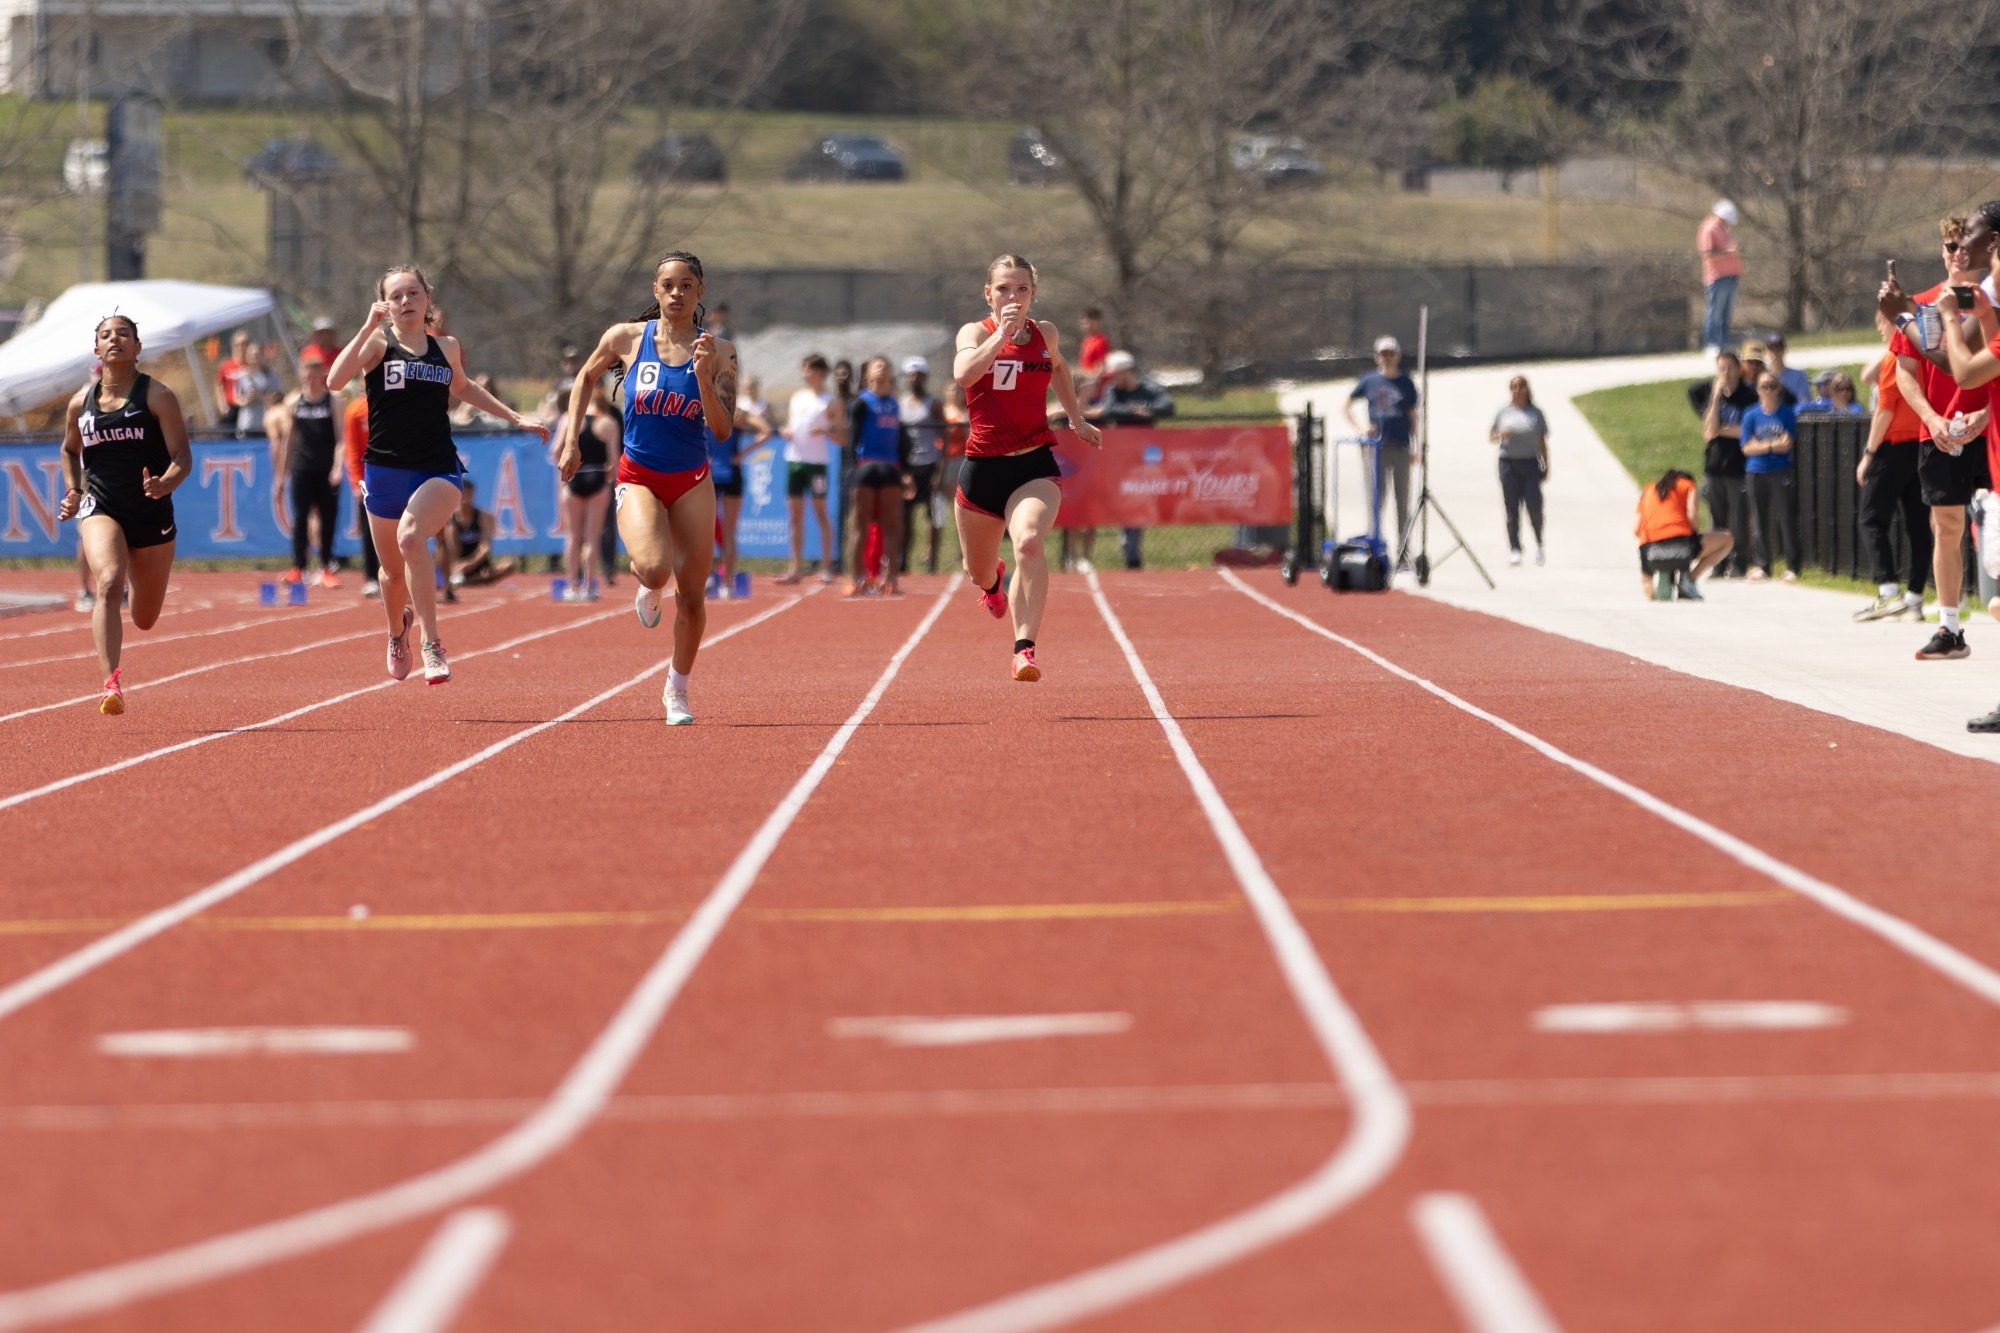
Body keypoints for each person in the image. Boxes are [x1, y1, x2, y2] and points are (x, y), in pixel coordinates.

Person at [329, 264, 542, 685]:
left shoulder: (446, 347)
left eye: (413, 293)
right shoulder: (376, 343)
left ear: (427, 297)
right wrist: (367, 326)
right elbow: (335, 381)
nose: (405, 301)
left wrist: (515, 416)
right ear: (384, 304)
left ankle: (432, 643)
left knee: (412, 537)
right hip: (385, 469)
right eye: (396, 296)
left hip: (437, 467)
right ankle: (397, 632)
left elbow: (463, 387)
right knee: (392, 575)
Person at [559, 250, 735, 726]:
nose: (677, 293)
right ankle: (649, 585)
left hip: (692, 480)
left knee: (693, 597)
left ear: (700, 292)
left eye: (686, 286)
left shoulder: (719, 351)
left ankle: (676, 689)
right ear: (655, 290)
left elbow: (722, 431)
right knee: (656, 571)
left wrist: (703, 378)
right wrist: (571, 440)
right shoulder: (626, 337)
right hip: (639, 475)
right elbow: (584, 377)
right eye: (668, 285)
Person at [953, 253, 1102, 681]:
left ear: (1033, 294)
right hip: (983, 470)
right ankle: (992, 584)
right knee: (976, 571)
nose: (1013, 297)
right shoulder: (974, 332)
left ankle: (1024, 649)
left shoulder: (1045, 333)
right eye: (1003, 289)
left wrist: (1075, 419)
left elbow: (1059, 366)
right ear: (988, 294)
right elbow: (965, 374)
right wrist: (1001, 334)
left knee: (1030, 542)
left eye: (1021, 289)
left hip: (1033, 464)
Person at [55, 313, 192, 713]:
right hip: (102, 505)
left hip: (151, 512)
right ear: (96, 348)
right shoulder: (80, 403)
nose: (114, 339)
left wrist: (165, 483)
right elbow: (69, 450)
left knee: (145, 618)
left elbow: (183, 456)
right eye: (106, 335)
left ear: (137, 347)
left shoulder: (157, 395)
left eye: (123, 334)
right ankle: (110, 684)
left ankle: (135, 563)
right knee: (110, 583)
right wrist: (74, 490)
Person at [1878, 210, 1994, 662]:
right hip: (1941, 431)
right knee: (1946, 527)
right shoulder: (1924, 303)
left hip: (1989, 426)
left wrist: (1985, 413)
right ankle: (1950, 627)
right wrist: (1931, 418)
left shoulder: (1988, 300)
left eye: (1966, 245)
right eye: (1950, 246)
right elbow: (1905, 374)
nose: (1958, 253)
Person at [1852, 346, 1932, 622]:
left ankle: (1888, 591)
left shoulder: (1894, 359)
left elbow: (1884, 410)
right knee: (1918, 525)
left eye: (1882, 325)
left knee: (1870, 520)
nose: (1879, 329)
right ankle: (1914, 599)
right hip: (1921, 446)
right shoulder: (1924, 355)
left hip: (1893, 447)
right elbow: (1866, 376)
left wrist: (1869, 454)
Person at [1086, 349, 1177, 569]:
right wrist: (1134, 412)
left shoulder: (1150, 389)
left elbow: (1168, 406)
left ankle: (1133, 553)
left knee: (1144, 503)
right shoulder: (1113, 390)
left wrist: (1147, 409)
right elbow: (1109, 409)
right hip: (1123, 458)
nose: (1112, 380)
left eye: (1115, 375)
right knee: (1128, 503)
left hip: (1149, 458)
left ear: (1126, 372)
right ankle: (1131, 555)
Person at [269, 347, 345, 588]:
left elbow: (341, 439)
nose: (310, 380)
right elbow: (288, 441)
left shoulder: (333, 401)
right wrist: (280, 476)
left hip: (326, 469)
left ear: (322, 375)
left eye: (314, 375)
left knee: (328, 518)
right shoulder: (294, 402)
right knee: (300, 518)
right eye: (306, 376)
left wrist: (337, 467)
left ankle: (326, 567)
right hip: (302, 468)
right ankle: (298, 568)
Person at [1344, 335, 1418, 555]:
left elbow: (1413, 416)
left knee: (1402, 500)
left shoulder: (1406, 383)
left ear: (1398, 356)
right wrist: (1360, 428)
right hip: (1376, 448)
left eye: (1391, 354)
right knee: (1376, 500)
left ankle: (1403, 550)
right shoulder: (1369, 381)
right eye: (1383, 354)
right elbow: (1345, 405)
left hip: (1401, 446)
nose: (1387, 358)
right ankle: (1376, 547)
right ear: (1377, 357)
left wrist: (1416, 446)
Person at [1688, 348, 1755, 577]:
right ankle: (1717, 564)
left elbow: (1746, 431)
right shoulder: (1712, 395)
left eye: (1730, 368)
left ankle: (1738, 563)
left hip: (1738, 467)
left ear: (1738, 369)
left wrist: (1719, 429)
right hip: (1714, 467)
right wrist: (1716, 398)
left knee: (1738, 519)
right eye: (1721, 369)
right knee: (1715, 520)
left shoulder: (1748, 397)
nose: (1725, 373)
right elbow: (1709, 431)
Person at [846, 355, 907, 597]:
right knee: (859, 526)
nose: (882, 371)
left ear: (891, 374)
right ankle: (857, 579)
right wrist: (853, 470)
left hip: (890, 467)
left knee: (892, 525)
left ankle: (890, 579)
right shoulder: (860, 402)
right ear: (867, 374)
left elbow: (900, 441)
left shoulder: (894, 403)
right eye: (877, 367)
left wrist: (905, 472)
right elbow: (852, 440)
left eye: (886, 367)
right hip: (866, 465)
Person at [552, 383, 619, 600]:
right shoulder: (608, 422)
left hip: (575, 477)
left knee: (573, 536)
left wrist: (565, 472)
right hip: (597, 477)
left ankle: (572, 586)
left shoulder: (569, 419)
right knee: (592, 536)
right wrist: (607, 480)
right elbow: (614, 459)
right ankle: (589, 586)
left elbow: (556, 450)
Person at [778, 354, 841, 584]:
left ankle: (827, 567)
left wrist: (825, 431)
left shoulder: (830, 401)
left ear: (820, 372)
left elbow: (842, 437)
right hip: (794, 460)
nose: (804, 374)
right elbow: (790, 425)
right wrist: (786, 431)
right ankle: (795, 567)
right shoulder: (797, 397)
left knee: (820, 513)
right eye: (803, 369)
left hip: (817, 464)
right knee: (795, 516)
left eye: (808, 369)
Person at [1739, 372, 1800, 581]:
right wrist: (1773, 445)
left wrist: (1761, 445)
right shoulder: (1750, 414)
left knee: (1786, 518)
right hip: (1756, 471)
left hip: (1780, 470)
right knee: (1759, 520)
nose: (1769, 390)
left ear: (1779, 388)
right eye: (1764, 386)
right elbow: (1746, 447)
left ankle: (1792, 565)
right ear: (1757, 389)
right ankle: (1763, 565)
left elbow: (1787, 444)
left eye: (1773, 386)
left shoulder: (1786, 413)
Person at [1636, 468, 1733, 600]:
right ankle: (1689, 579)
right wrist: (1693, 532)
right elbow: (1692, 516)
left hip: (1651, 552)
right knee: (1727, 539)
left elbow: (1636, 528)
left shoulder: (1648, 490)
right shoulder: (1687, 484)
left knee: (1649, 589)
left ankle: (1662, 577)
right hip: (1681, 547)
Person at [711, 390, 771, 592]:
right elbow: (765, 430)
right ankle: (720, 582)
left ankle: (723, 581)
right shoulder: (727, 412)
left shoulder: (729, 413)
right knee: (717, 531)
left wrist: (743, 454)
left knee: (723, 531)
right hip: (716, 474)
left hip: (721, 474)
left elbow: (766, 431)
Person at [1489, 374, 1549, 566]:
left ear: (1527, 389)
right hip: (1508, 463)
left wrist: (1546, 466)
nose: (1517, 390)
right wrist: (1500, 434)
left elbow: (1542, 442)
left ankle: (1539, 543)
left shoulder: (1535, 413)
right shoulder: (1503, 413)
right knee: (1511, 508)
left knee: (1534, 507)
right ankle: (1515, 548)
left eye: (1521, 386)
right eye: (1513, 386)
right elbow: (1491, 436)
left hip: (1530, 463)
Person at [899, 356, 946, 575]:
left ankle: (931, 560)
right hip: (909, 466)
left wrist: (940, 470)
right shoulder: (900, 404)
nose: (914, 378)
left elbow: (944, 437)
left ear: (924, 377)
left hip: (930, 463)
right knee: (905, 517)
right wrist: (902, 469)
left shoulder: (933, 403)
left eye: (918, 375)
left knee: (932, 515)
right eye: (910, 375)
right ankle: (903, 560)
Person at [445, 479, 518, 586]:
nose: (466, 498)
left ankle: (469, 581)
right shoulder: (451, 520)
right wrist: (458, 567)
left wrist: (470, 564)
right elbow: (452, 551)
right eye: (463, 494)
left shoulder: (484, 516)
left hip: (478, 563)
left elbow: (485, 547)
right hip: (459, 565)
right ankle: (463, 579)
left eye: (469, 494)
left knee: (509, 564)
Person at [342, 389, 378, 597]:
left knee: (401, 530)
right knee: (369, 529)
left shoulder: (395, 402)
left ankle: (402, 577)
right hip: (368, 480)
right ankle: (371, 577)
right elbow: (353, 449)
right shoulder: (355, 410)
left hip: (395, 476)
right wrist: (357, 482)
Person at [1699, 200, 1741, 354]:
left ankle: (1724, 343)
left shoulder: (1725, 229)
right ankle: (1712, 343)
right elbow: (1708, 253)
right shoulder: (1709, 229)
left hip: (1731, 276)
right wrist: (1728, 252)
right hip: (1717, 278)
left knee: (1726, 314)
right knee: (1715, 313)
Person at [232, 341, 283, 439]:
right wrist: (246, 401)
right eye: (251, 355)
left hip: (266, 425)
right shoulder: (241, 376)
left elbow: (279, 399)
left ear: (262, 355)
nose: (254, 358)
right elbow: (237, 398)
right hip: (247, 425)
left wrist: (260, 396)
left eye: (257, 355)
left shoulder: (272, 375)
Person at [1762, 332, 1811, 405]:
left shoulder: (1798, 376)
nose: (1775, 352)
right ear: (1765, 352)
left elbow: (1804, 402)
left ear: (1785, 350)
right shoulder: (1762, 378)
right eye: (1772, 349)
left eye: (1778, 348)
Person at [216, 329, 250, 431]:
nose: (241, 348)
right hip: (231, 407)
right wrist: (222, 404)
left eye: (244, 344)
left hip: (248, 406)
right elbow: (219, 385)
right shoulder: (226, 365)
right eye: (237, 345)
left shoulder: (251, 366)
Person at [1075, 307, 1111, 401]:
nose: (1085, 325)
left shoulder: (1101, 341)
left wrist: (1088, 378)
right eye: (1083, 322)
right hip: (1084, 386)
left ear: (1096, 321)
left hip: (1096, 391)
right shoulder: (1086, 341)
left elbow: (1102, 368)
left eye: (1088, 321)